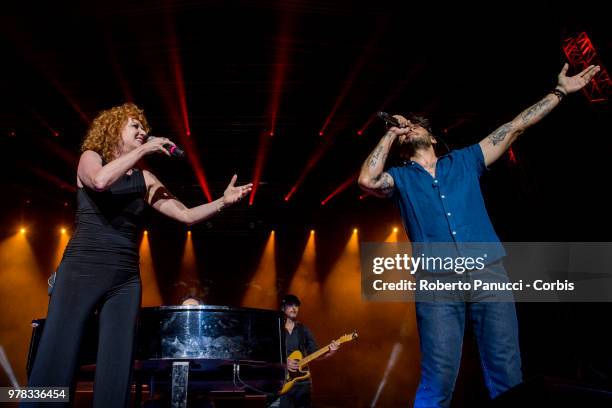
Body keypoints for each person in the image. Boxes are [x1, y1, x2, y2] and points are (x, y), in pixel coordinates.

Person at [358, 63, 600, 407]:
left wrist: (559, 92)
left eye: (414, 125)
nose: (409, 128)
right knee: (438, 380)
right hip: (436, 282)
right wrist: (390, 132)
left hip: (488, 272)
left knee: (506, 372)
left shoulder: (465, 160)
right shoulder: (400, 178)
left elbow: (515, 127)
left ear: (431, 135)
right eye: (404, 129)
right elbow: (367, 180)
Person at [25, 103, 252, 408]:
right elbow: (101, 182)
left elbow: (185, 215)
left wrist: (222, 203)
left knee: (118, 362)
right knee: (58, 353)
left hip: (125, 278)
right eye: (135, 126)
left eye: (144, 128)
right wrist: (143, 151)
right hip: (82, 267)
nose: (143, 132)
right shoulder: (91, 158)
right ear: (114, 129)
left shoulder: (145, 179)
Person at [275, 294, 339, 408]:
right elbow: (265, 356)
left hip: (303, 384)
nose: (294, 308)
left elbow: (316, 355)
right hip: (282, 382)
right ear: (282, 308)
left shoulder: (303, 330)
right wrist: (284, 362)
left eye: (296, 306)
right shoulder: (275, 330)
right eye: (290, 305)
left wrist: (331, 352)